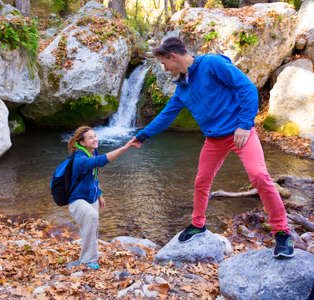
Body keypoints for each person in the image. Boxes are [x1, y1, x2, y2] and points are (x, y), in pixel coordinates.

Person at [130, 37, 294, 259]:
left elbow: (247, 88)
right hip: (214, 139)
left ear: (173, 56)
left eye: (164, 63)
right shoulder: (182, 88)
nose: (165, 69)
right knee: (201, 181)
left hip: (240, 132)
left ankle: (282, 233)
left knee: (259, 175)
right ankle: (198, 224)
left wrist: (245, 124)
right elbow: (166, 116)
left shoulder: (212, 63)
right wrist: (143, 135)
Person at [67, 126, 134, 269]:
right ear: (82, 143)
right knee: (92, 218)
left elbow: (94, 176)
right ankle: (88, 260)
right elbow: (102, 161)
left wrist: (99, 193)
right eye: (90, 137)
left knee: (91, 229)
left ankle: (86, 258)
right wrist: (124, 148)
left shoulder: (92, 151)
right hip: (77, 200)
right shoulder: (80, 158)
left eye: (95, 136)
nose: (95, 139)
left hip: (92, 197)